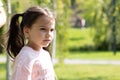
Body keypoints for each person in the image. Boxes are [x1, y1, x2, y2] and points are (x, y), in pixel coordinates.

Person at [6, 6, 56, 80]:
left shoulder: (45, 54)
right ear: (27, 31)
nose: (49, 34)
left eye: (51, 30)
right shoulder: (25, 57)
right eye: (43, 29)